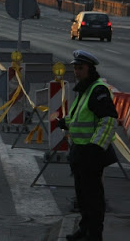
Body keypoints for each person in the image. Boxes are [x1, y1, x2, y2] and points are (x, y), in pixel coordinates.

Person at [58, 50, 118, 241]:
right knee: (83, 197)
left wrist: (95, 147)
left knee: (93, 199)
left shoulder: (97, 90)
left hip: (91, 153)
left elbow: (109, 120)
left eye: (80, 68)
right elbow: (80, 117)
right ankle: (84, 230)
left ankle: (94, 235)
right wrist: (65, 122)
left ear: (90, 69)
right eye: (75, 68)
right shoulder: (85, 88)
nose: (76, 71)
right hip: (80, 152)